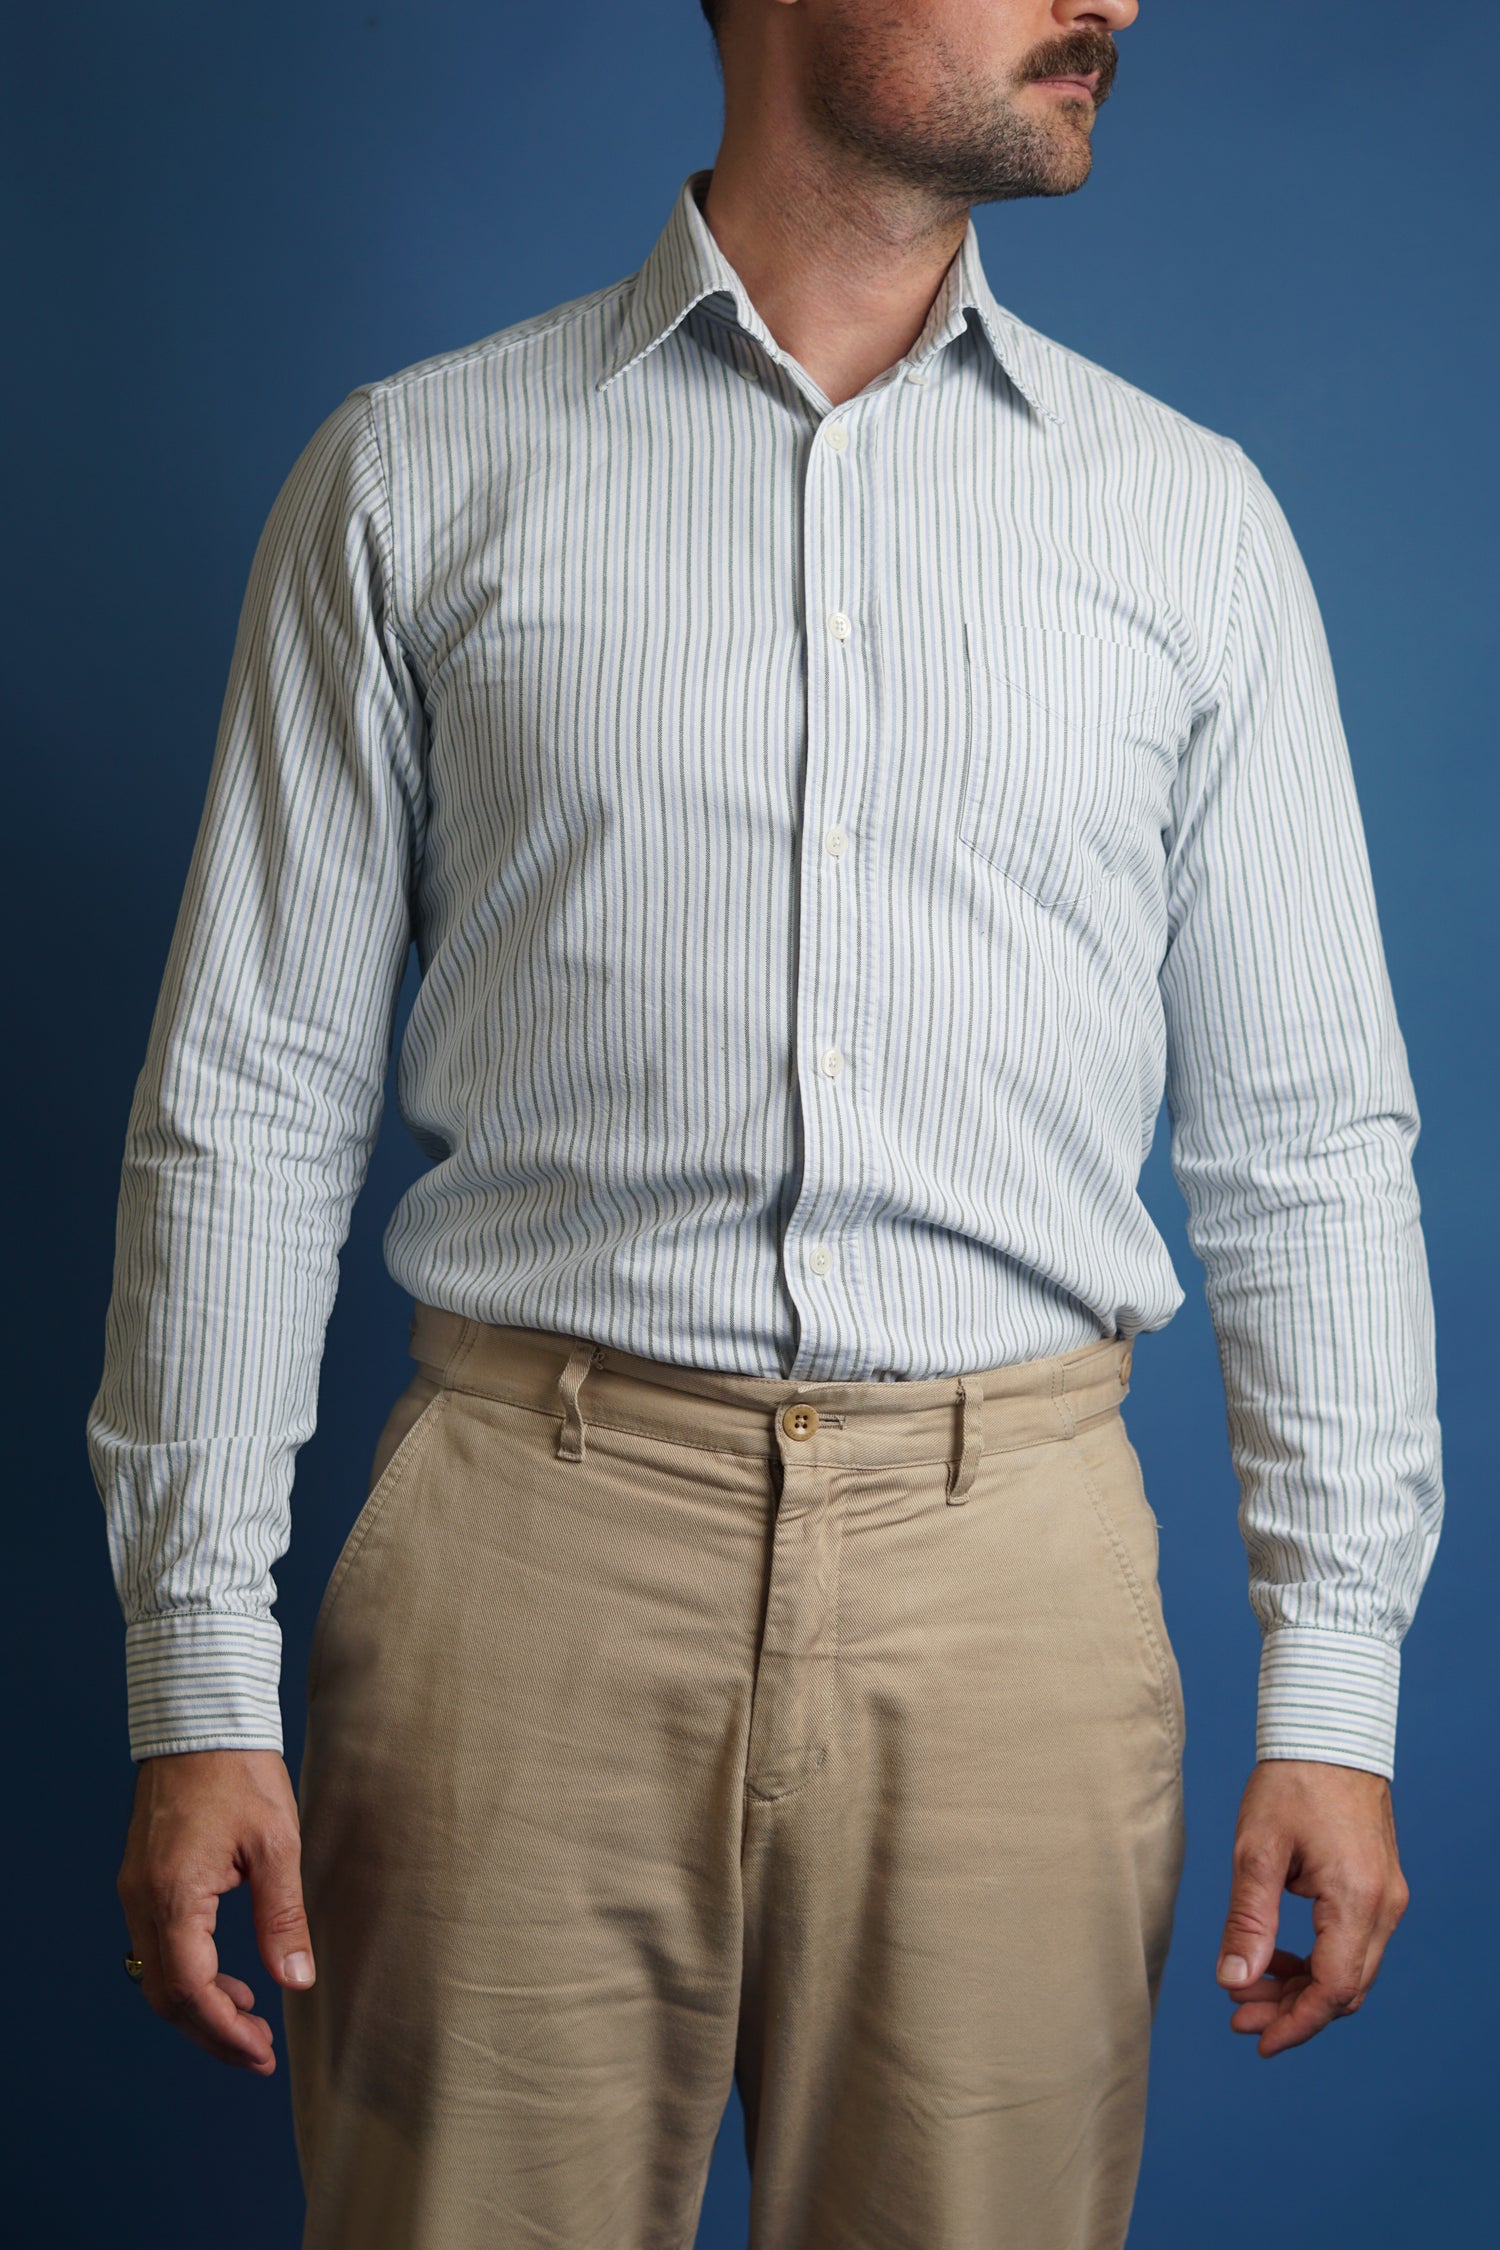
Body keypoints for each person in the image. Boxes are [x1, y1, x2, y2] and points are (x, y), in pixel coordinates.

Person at [90, 3, 1444, 2245]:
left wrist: (1340, 1686)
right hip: (519, 1563)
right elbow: (246, 1102)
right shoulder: (417, 476)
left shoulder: (1191, 527)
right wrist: (196, 1676)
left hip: (1012, 1579)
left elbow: (1306, 1142)